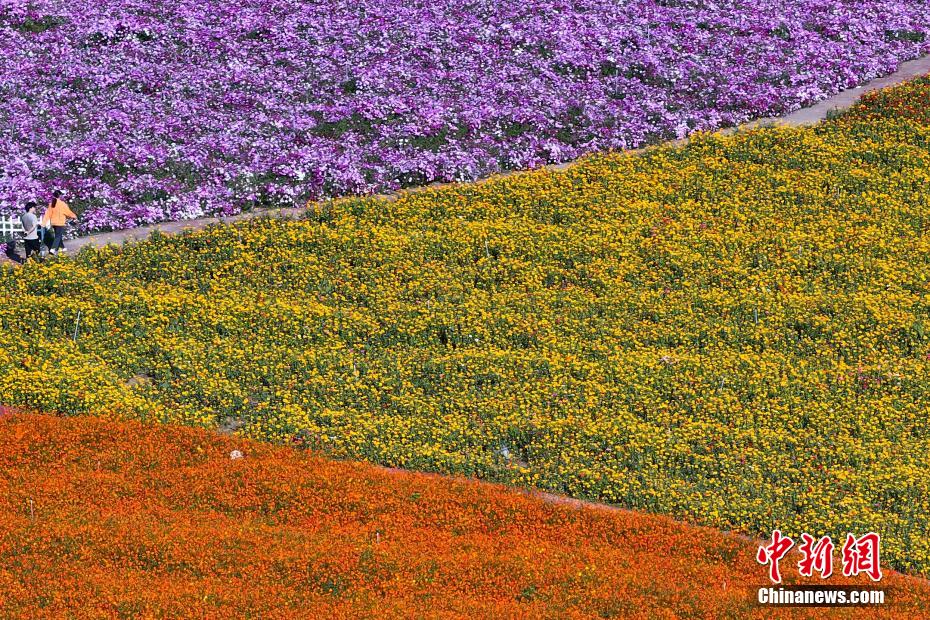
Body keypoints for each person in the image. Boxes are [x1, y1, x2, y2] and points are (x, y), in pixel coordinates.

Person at [40, 190, 77, 255]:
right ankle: (53, 249)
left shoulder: (51, 204)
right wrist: (74, 216)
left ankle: (62, 247)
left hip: (53, 223)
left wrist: (43, 223)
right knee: (58, 236)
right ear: (60, 196)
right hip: (60, 222)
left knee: (58, 235)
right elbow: (68, 212)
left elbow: (47, 214)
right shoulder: (62, 204)